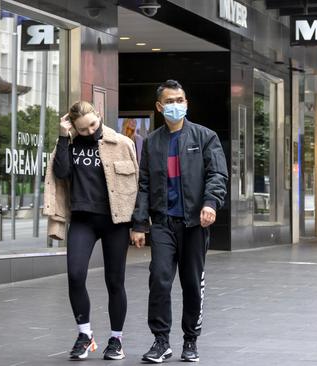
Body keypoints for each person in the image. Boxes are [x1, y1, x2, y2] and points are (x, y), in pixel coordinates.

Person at [131, 80, 228, 363]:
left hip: (194, 224)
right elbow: (145, 184)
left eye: (180, 99)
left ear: (186, 102)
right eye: (170, 101)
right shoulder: (152, 142)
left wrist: (210, 203)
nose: (176, 104)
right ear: (160, 107)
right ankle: (161, 341)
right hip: (162, 223)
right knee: (159, 280)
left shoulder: (205, 137)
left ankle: (190, 340)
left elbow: (217, 175)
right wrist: (139, 224)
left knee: (191, 283)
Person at [43, 101, 139, 360]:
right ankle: (84, 335)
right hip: (83, 220)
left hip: (115, 222)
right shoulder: (69, 144)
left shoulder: (122, 143)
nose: (89, 132)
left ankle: (116, 340)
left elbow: (138, 186)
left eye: (93, 125)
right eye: (82, 129)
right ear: (74, 127)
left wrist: (139, 226)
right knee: (75, 275)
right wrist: (64, 137)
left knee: (115, 281)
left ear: (98, 113)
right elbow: (61, 172)